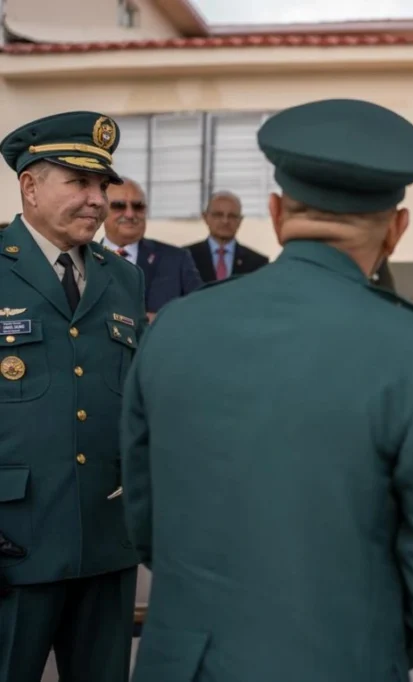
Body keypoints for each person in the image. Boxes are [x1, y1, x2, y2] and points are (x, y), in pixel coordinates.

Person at [120, 99, 413, 681]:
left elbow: (145, 521)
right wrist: (370, 644)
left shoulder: (173, 327)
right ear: (397, 230)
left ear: (275, 213)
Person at [0, 111, 147, 682]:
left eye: (102, 185)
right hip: (14, 542)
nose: (97, 200)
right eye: (79, 182)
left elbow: (136, 405)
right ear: (30, 186)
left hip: (106, 541)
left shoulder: (124, 279)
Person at [99, 177, 203, 320]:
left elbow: (201, 310)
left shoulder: (177, 260)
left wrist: (164, 320)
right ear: (101, 210)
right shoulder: (83, 258)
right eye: (119, 206)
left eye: (138, 206)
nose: (130, 214)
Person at [186, 191, 270, 282]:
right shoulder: (185, 258)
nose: (225, 221)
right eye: (218, 215)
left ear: (240, 220)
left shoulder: (258, 263)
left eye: (232, 216)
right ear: (206, 217)